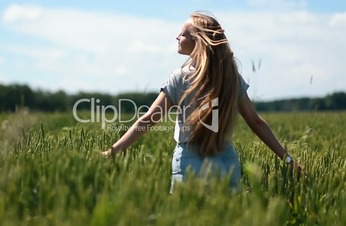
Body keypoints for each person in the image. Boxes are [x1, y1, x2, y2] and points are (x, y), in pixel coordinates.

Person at [102, 11, 302, 192]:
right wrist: (288, 159)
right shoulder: (230, 77)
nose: (177, 37)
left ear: (197, 40)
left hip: (190, 161)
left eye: (182, 33)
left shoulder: (180, 77)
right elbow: (256, 122)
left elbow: (147, 120)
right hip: (227, 160)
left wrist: (113, 150)